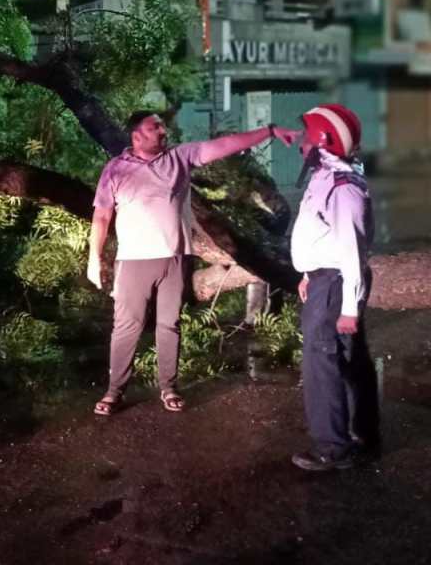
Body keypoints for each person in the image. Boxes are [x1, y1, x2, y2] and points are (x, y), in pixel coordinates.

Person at [87, 111, 298, 416]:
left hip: (174, 259)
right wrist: (94, 258)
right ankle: (115, 391)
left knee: (169, 325)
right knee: (126, 327)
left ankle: (169, 387)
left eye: (162, 125)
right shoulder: (115, 169)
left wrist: (269, 131)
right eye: (155, 127)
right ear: (137, 136)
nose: (163, 130)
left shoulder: (180, 158)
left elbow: (225, 144)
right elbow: (102, 216)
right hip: (132, 261)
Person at [289, 104, 379, 471]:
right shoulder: (325, 175)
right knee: (347, 360)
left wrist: (349, 309)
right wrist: (308, 273)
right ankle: (362, 436)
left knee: (322, 364)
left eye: (306, 134)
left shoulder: (344, 187)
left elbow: (351, 252)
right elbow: (321, 233)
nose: (299, 140)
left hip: (337, 284)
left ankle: (333, 447)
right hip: (325, 280)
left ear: (323, 140)